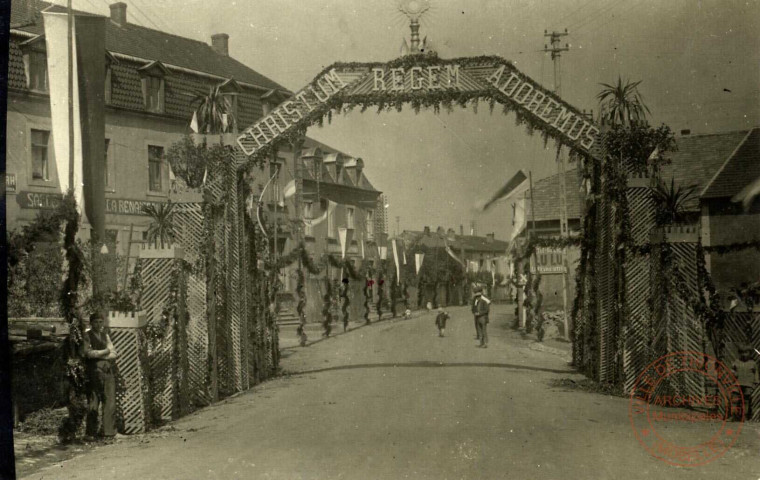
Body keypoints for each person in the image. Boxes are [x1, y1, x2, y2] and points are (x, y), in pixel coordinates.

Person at [81, 312, 118, 441]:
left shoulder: (105, 335)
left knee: (110, 401)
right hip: (94, 371)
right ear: (91, 323)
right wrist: (106, 351)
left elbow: (114, 353)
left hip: (107, 370)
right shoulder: (87, 335)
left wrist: (102, 354)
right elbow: (89, 354)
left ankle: (109, 432)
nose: (98, 324)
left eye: (100, 322)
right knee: (94, 401)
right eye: (96, 322)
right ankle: (90, 433)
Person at [731, 344, 759, 421]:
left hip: (748, 384)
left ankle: (745, 417)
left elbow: (756, 374)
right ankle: (733, 416)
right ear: (740, 353)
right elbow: (732, 370)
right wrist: (733, 372)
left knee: (746, 401)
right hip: (737, 383)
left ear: (749, 353)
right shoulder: (736, 362)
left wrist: (754, 384)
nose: (744, 354)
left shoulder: (752, 363)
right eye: (742, 352)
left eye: (746, 352)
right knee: (734, 400)